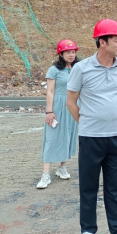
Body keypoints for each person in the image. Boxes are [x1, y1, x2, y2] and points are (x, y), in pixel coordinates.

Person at [66, 19, 117, 234]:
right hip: (91, 138)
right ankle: (87, 232)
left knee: (115, 188)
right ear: (102, 42)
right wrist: (90, 123)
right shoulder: (82, 68)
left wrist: (111, 117)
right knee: (88, 188)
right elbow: (70, 102)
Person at [36, 40, 80, 189]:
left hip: (73, 106)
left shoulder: (77, 68)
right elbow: (50, 91)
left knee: (68, 135)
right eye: (68, 52)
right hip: (57, 106)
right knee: (52, 137)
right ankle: (45, 174)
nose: (71, 54)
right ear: (60, 54)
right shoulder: (54, 70)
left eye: (73, 52)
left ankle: (62, 167)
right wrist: (49, 111)